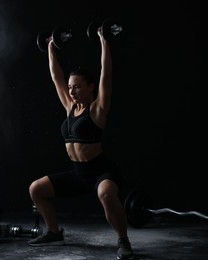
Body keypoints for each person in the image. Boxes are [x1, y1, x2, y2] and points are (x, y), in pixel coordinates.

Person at [28, 26, 134, 260]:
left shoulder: (97, 109)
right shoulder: (69, 107)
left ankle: (123, 241)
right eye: (70, 87)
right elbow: (55, 76)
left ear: (90, 87)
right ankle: (54, 232)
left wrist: (104, 39)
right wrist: (50, 47)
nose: (72, 91)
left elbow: (106, 73)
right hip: (78, 174)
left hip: (101, 172)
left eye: (77, 86)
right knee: (36, 189)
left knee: (106, 194)